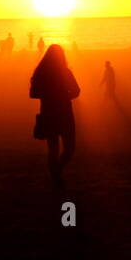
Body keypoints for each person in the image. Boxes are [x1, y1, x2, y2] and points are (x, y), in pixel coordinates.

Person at [30, 44, 80, 188]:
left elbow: (33, 93)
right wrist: (63, 95)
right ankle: (56, 175)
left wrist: (48, 95)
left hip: (48, 112)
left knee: (53, 149)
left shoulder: (40, 73)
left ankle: (55, 174)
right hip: (64, 112)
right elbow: (76, 91)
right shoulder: (65, 72)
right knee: (69, 148)